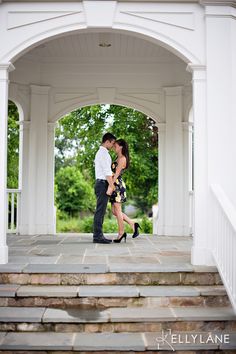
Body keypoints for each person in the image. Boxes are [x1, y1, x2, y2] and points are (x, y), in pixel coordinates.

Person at [110, 139, 141, 243]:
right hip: (115, 184)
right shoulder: (117, 157)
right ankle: (132, 223)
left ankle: (121, 233)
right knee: (114, 211)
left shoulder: (122, 159)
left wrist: (110, 186)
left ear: (121, 147)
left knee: (117, 211)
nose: (114, 147)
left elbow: (116, 174)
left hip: (117, 185)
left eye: (116, 145)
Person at [93, 133, 116, 244]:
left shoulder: (101, 153)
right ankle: (98, 237)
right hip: (103, 184)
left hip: (101, 183)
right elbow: (107, 173)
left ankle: (98, 235)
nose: (112, 145)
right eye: (112, 143)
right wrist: (112, 186)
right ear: (107, 141)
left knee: (100, 211)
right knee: (100, 211)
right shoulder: (104, 154)